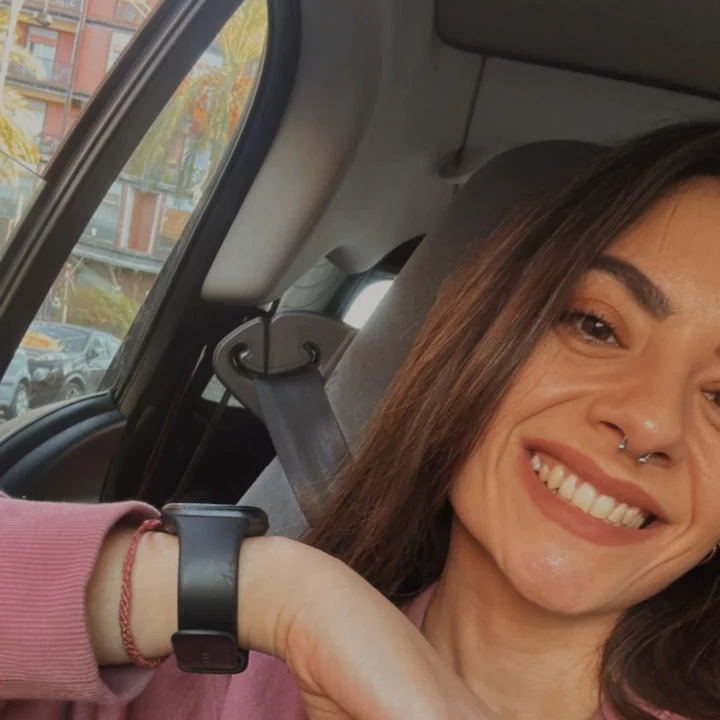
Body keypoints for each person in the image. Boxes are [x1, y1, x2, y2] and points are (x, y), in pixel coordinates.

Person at [2, 121, 720, 720]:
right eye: (595, 325)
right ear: (477, 342)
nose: (650, 422)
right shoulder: (216, 676)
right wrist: (280, 593)